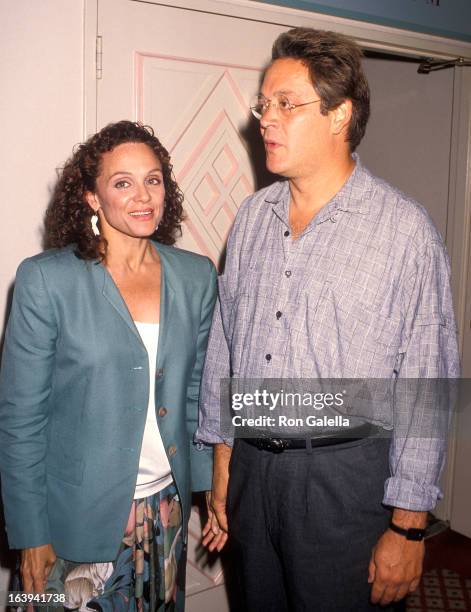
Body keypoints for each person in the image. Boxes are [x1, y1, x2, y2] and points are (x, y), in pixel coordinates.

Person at [197, 28, 460, 611]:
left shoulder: (404, 232)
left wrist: (409, 527)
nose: (265, 118)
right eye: (264, 104)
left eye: (286, 104)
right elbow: (226, 348)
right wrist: (222, 466)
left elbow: (426, 391)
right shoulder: (251, 219)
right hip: (253, 478)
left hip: (346, 485)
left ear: (340, 115)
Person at [0, 120, 223, 611]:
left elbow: (195, 395)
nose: (143, 195)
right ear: (92, 197)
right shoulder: (45, 281)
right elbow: (21, 421)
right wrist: (29, 532)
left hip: (164, 511)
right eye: (122, 182)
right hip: (70, 518)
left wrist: (210, 488)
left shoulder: (196, 277)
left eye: (154, 178)